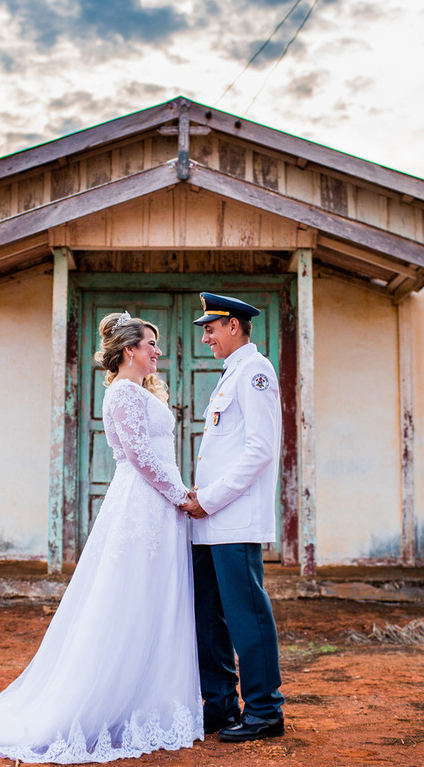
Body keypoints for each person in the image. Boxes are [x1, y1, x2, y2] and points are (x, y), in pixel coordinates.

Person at [0, 312, 201, 763]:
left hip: (158, 506)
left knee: (157, 596)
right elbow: (140, 457)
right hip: (145, 502)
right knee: (130, 596)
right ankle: (103, 703)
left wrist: (177, 497)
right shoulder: (122, 394)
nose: (158, 351)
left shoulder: (138, 391)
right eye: (151, 344)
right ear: (130, 350)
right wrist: (181, 495)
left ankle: (149, 696)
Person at [179, 292, 285, 742]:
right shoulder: (232, 374)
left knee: (247, 617)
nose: (205, 337)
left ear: (234, 326)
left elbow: (260, 449)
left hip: (232, 517)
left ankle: (264, 711)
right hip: (209, 520)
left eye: (210, 328)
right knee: (209, 617)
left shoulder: (255, 372)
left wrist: (212, 497)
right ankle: (219, 706)